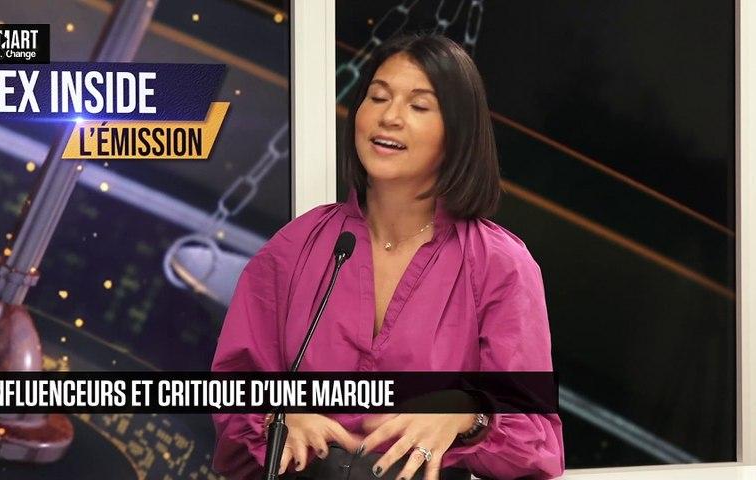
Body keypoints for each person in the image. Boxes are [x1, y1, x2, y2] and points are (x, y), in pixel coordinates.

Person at [211, 34, 564, 480]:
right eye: (378, 97)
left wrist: (468, 413)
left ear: (458, 132)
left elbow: (536, 439)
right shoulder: (297, 245)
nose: (390, 117)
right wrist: (276, 418)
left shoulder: (499, 264)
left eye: (419, 106)